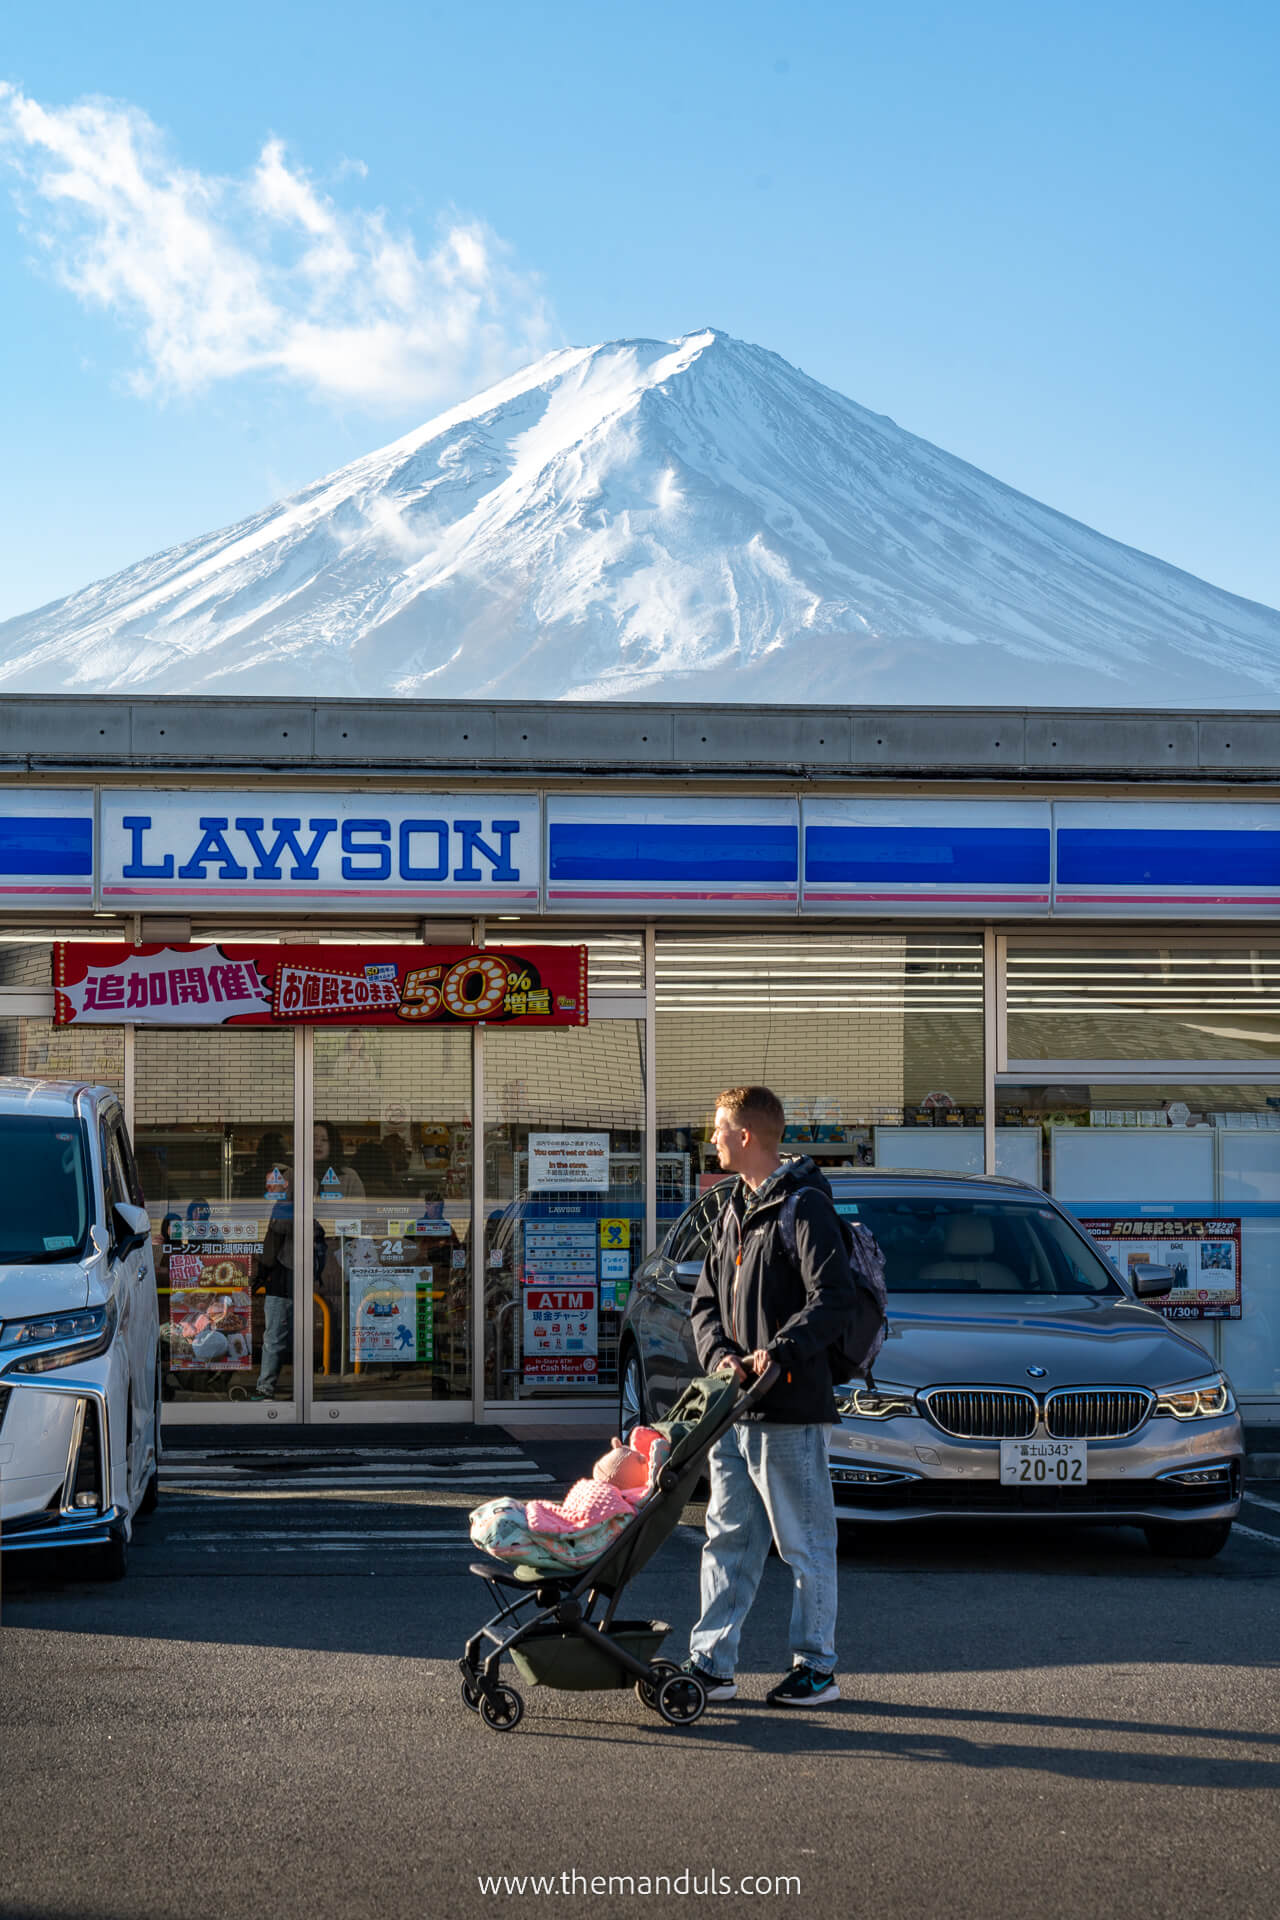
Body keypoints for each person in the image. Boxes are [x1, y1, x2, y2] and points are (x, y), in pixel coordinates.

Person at [684, 1084, 857, 1708]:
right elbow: (705, 1303)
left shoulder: (804, 1206)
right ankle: (712, 1665)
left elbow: (832, 1298)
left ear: (747, 1134)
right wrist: (720, 1356)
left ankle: (816, 1667)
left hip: (788, 1406)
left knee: (804, 1543)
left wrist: (777, 1353)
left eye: (718, 1127)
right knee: (728, 1537)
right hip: (734, 1407)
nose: (712, 1139)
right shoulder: (733, 1207)